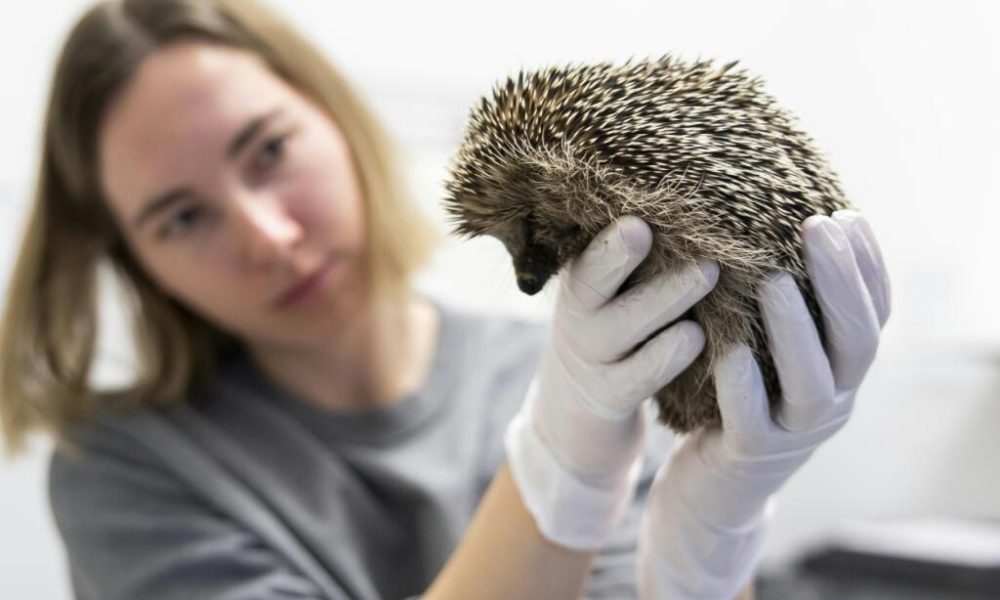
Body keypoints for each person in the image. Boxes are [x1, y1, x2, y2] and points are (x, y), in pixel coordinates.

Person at [0, 0, 891, 598]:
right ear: (136, 262)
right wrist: (556, 475)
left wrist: (705, 544)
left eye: (268, 150)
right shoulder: (127, 471)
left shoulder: (600, 363)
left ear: (337, 121)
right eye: (181, 215)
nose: (267, 236)